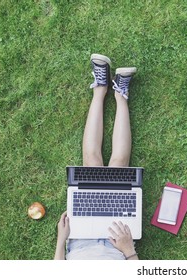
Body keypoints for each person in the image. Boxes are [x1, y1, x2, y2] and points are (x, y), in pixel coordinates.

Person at [54, 54, 139, 260]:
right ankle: (120, 95)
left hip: (81, 240)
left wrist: (61, 241)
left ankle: (100, 89)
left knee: (92, 162)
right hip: (117, 244)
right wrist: (129, 250)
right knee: (119, 165)